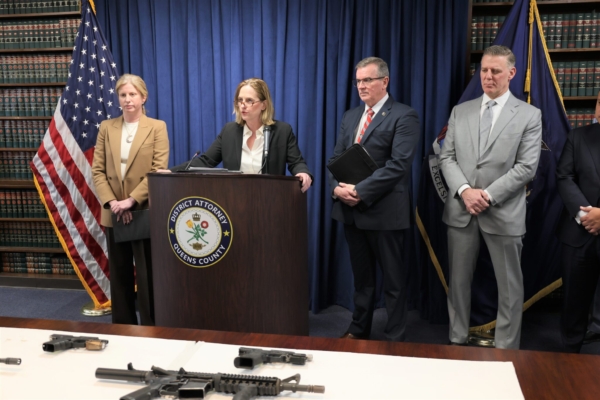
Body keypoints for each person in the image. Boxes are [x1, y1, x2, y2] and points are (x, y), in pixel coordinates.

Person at [439, 45, 542, 349]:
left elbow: (526, 167)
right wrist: (465, 191)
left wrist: (485, 195)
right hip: (461, 210)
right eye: (484, 70)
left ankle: (506, 350)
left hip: (504, 212)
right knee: (458, 283)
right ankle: (457, 340)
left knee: (510, 287)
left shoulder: (529, 115)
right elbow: (447, 157)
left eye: (495, 71)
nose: (488, 76)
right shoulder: (461, 111)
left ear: (512, 73)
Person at [328, 57, 420, 341]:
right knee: (362, 279)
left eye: (367, 80)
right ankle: (359, 330)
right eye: (358, 81)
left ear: (384, 81)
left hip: (385, 211)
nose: (361, 86)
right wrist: (336, 189)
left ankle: (394, 337)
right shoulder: (350, 116)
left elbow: (398, 165)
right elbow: (335, 160)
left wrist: (360, 192)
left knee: (393, 281)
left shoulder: (404, 115)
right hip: (351, 211)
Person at [92, 74, 170, 326]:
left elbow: (158, 170)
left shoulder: (157, 127)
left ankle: (151, 327)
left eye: (132, 94)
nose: (127, 99)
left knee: (147, 276)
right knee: (120, 274)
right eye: (123, 95)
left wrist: (131, 201)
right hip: (114, 211)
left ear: (143, 97)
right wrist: (114, 202)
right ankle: (123, 327)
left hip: (143, 210)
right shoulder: (107, 127)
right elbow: (98, 171)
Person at [165, 78, 312, 192]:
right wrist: (170, 171)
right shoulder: (229, 131)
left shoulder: (282, 131)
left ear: (264, 105)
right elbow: (206, 161)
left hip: (270, 200)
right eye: (240, 100)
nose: (243, 105)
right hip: (235, 200)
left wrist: (303, 173)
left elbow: (296, 162)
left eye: (249, 101)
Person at [556, 90, 600, 352]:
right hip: (579, 233)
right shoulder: (578, 136)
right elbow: (564, 177)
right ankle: (569, 357)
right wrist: (587, 217)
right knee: (573, 303)